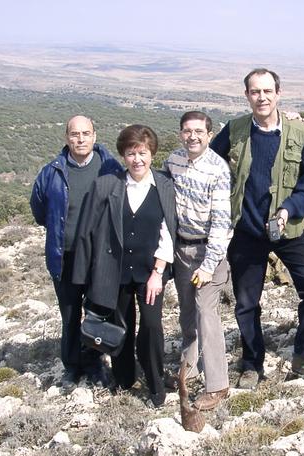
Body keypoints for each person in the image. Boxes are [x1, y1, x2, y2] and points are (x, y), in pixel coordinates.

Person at [211, 68, 304, 389]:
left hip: (288, 228)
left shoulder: (300, 133)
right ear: (247, 95)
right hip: (247, 231)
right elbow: (207, 163)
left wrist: (287, 210)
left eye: (267, 91)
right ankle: (252, 364)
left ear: (278, 93)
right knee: (246, 302)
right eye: (255, 92)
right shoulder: (235, 130)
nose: (261, 97)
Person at [72, 124, 177, 406]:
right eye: (131, 153)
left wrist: (158, 272)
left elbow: (169, 231)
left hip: (150, 273)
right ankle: (125, 379)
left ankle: (155, 385)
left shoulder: (165, 186)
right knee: (121, 326)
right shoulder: (106, 186)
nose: (137, 159)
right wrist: (85, 281)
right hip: (114, 272)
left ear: (152, 153)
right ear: (123, 156)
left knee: (152, 327)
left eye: (142, 152)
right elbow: (87, 232)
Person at [30, 115, 123, 390]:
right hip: (66, 255)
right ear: (66, 138)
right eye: (74, 134)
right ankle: (71, 367)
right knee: (70, 315)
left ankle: (94, 364)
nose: (80, 139)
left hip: (99, 258)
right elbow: (39, 209)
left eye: (85, 133)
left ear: (95, 136)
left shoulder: (110, 169)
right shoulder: (52, 172)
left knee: (96, 313)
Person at [163, 111, 232, 410]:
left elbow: (221, 221)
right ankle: (188, 366)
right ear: (180, 133)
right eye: (187, 131)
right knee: (187, 311)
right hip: (181, 250)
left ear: (209, 134)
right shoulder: (173, 161)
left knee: (206, 311)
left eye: (199, 131)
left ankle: (217, 384)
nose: (193, 136)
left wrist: (208, 265)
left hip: (209, 253)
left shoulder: (218, 169)